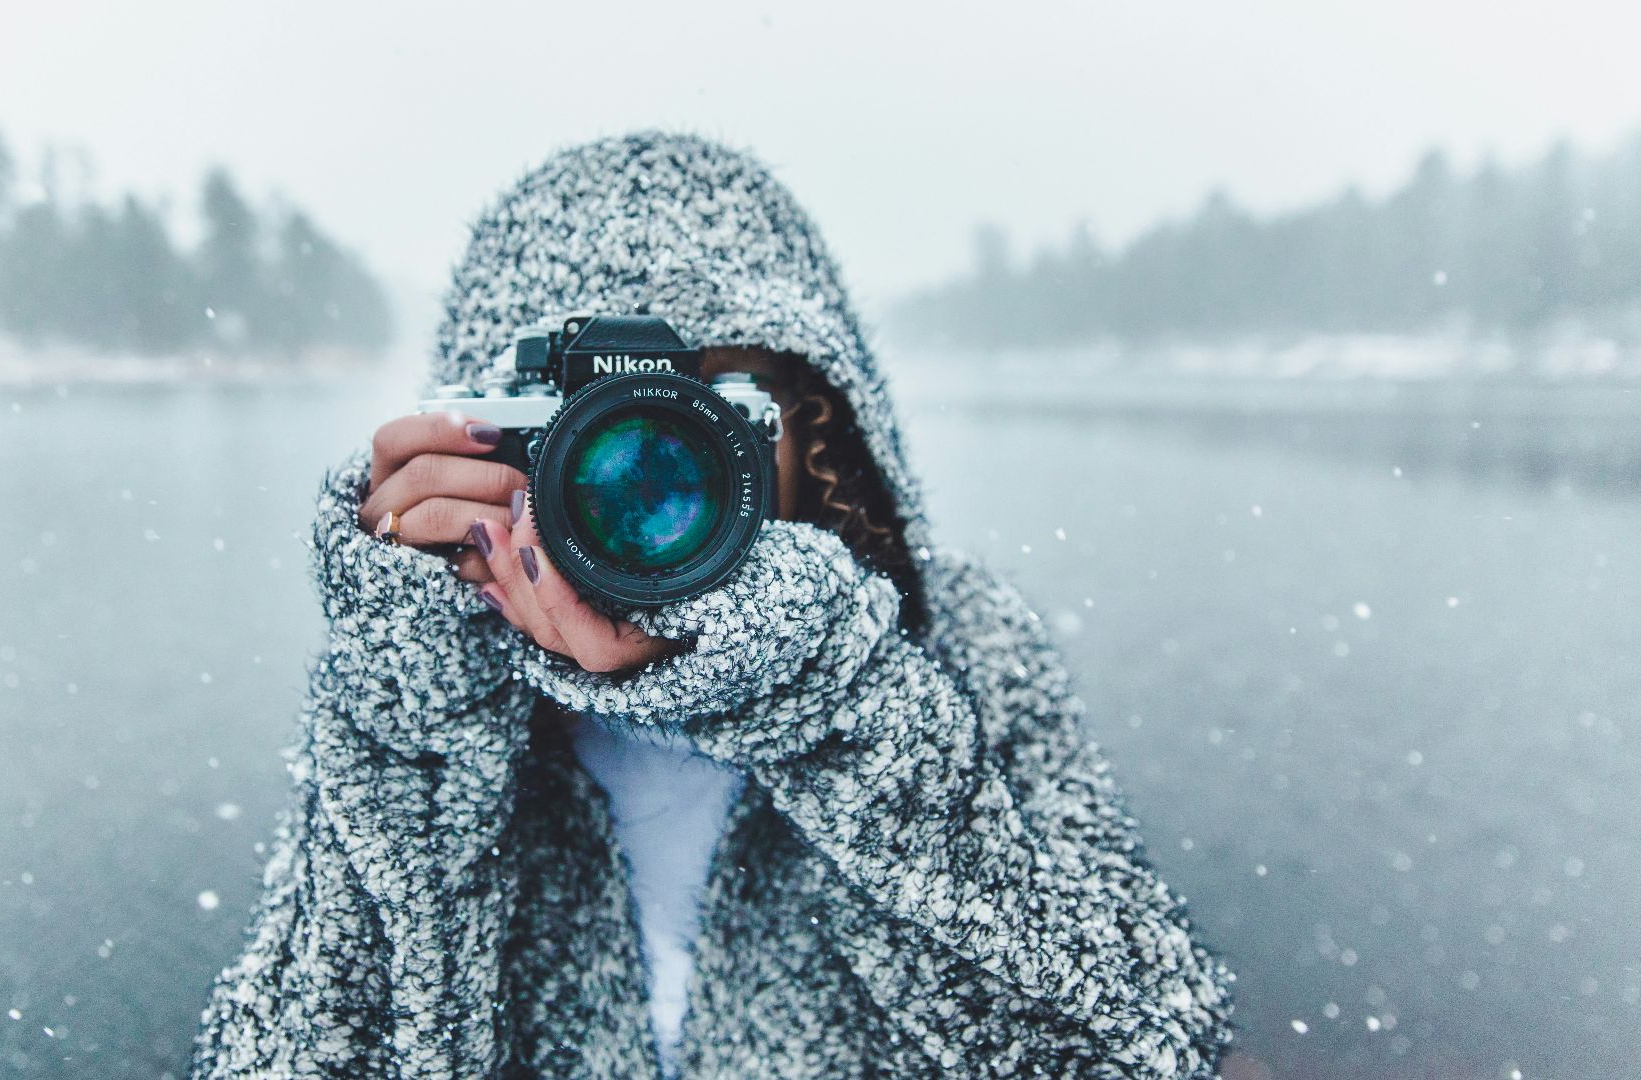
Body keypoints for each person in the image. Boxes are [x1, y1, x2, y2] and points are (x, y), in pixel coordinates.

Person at [191, 132, 1233, 1078]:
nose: (640, 482)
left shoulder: (961, 645)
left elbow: (1133, 1045)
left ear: (818, 428)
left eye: (709, 415)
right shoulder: (435, 690)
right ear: (483, 436)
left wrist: (833, 696)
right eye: (579, 430)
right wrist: (414, 717)